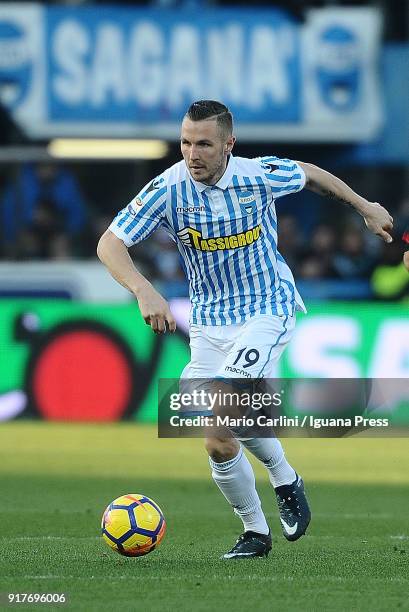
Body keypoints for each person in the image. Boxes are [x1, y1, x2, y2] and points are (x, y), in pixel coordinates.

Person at [97, 100, 393, 559]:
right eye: (185, 142)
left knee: (227, 410)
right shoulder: (168, 188)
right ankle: (261, 522)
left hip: (266, 310)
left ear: (228, 145)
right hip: (209, 323)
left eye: (204, 144)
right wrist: (142, 289)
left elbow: (310, 173)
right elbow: (110, 242)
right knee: (219, 440)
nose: (192, 154)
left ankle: (278, 489)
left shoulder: (257, 175)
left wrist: (364, 206)